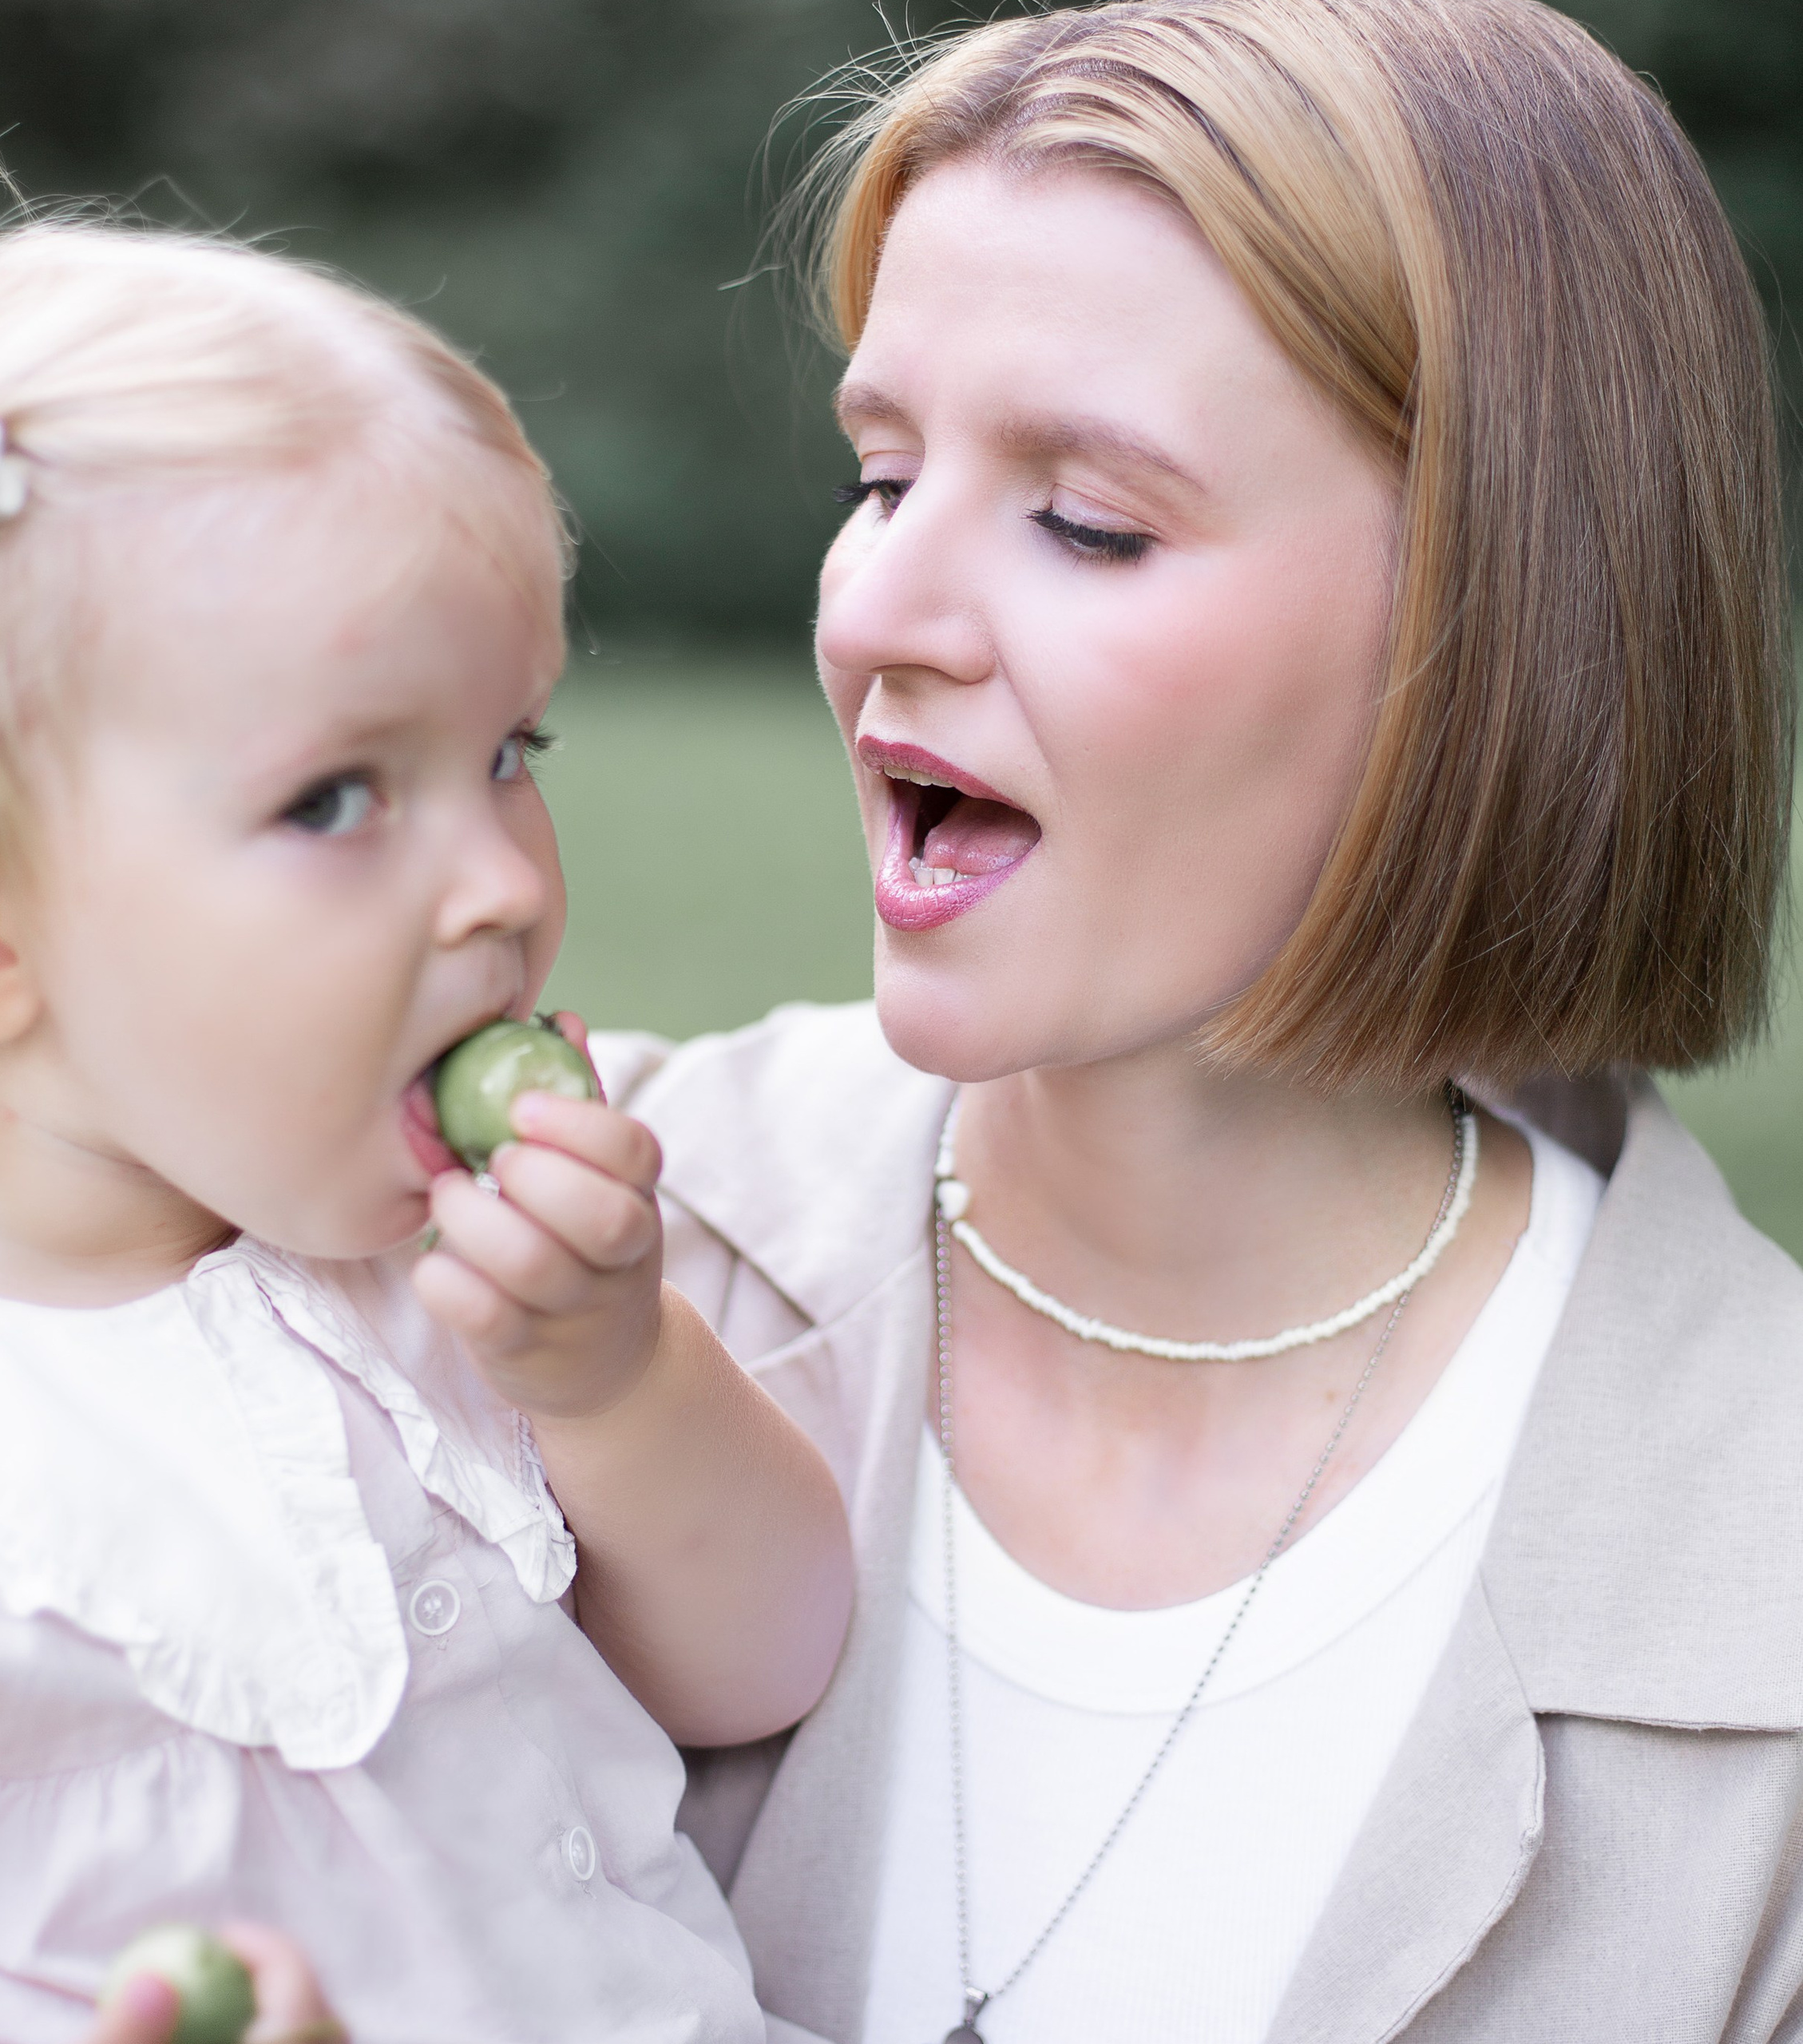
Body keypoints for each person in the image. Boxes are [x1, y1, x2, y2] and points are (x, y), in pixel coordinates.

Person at [598, 2, 1803, 2039]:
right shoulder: (527, 1270)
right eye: (877, 471)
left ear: (1500, 624)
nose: (877, 605)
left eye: (1087, 520)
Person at [0, 209, 850, 2041]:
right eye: (339, 796)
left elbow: (767, 1661)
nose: (498, 882)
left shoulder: (427, 1262)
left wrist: (610, 1376)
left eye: (513, 751)